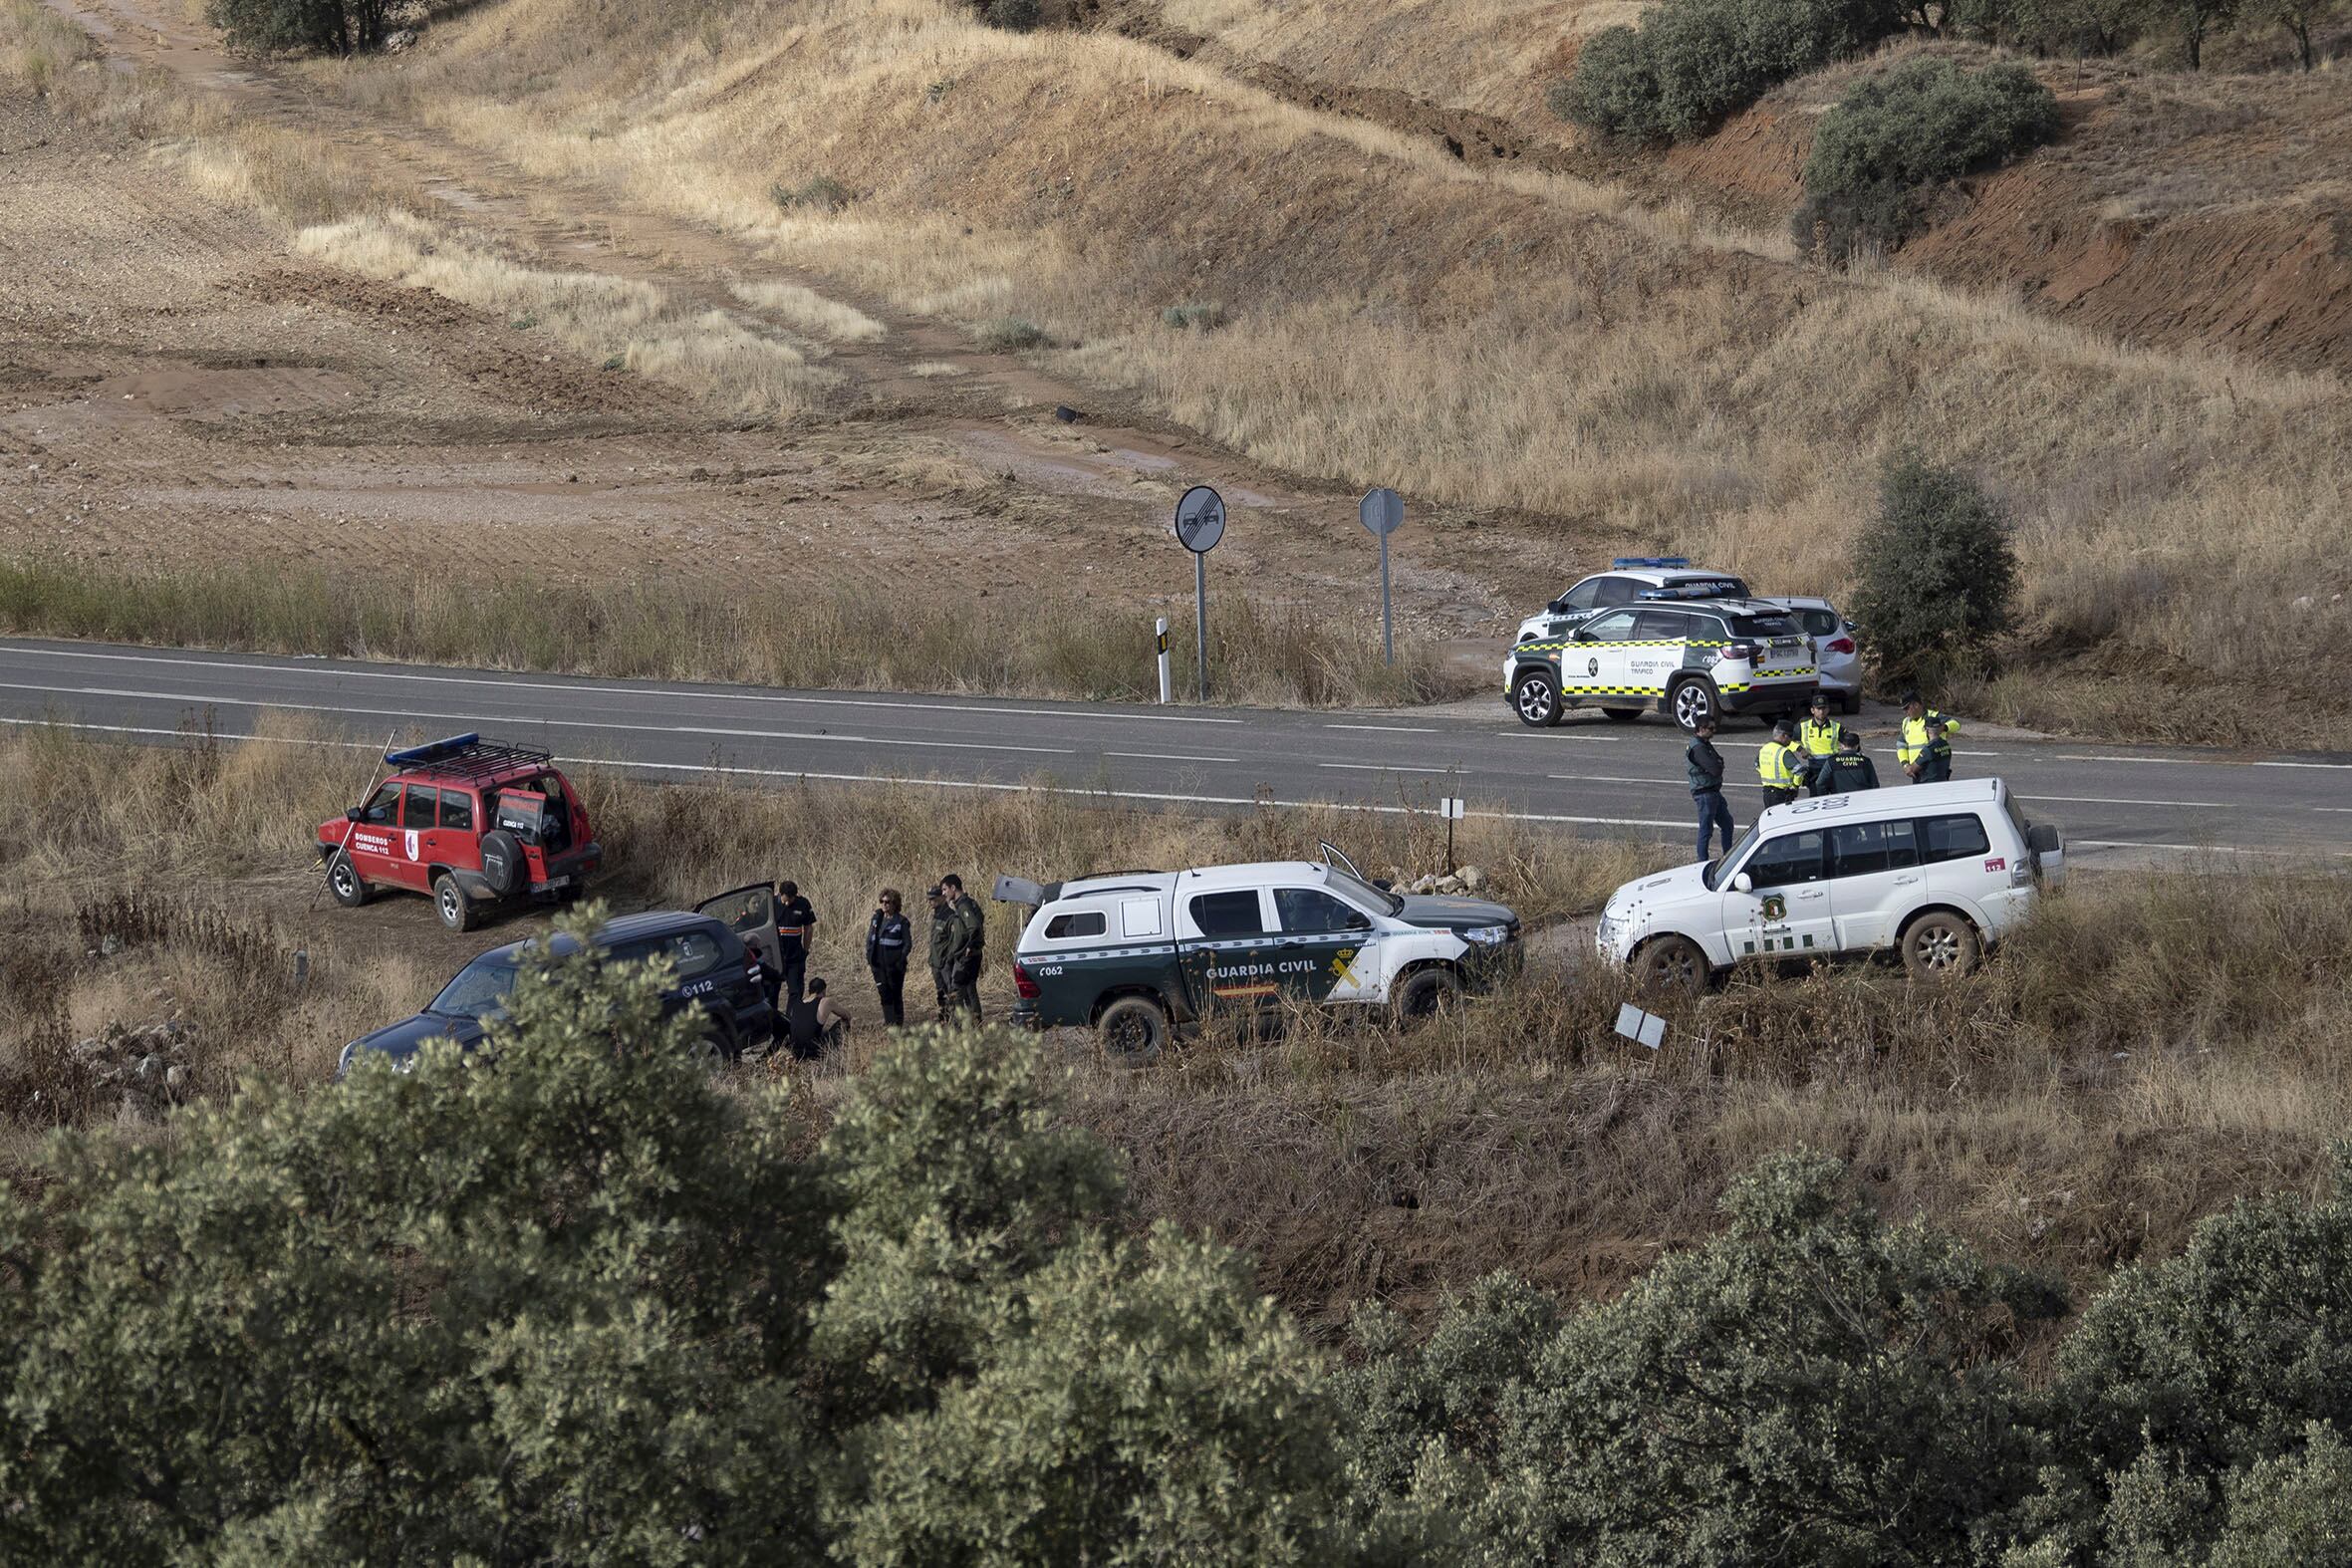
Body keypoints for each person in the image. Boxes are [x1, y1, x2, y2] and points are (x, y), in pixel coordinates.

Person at [1686, 715, 1735, 863]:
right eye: (1711, 728)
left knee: (1727, 823)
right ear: (1701, 729)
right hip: (1705, 793)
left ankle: (1728, 857)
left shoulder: (1704, 743)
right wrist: (1718, 764)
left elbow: (1719, 761)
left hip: (1712, 791)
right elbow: (1715, 768)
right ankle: (1702, 862)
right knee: (1706, 830)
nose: (1714, 731)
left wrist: (1718, 763)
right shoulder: (1698, 748)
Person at [864, 887, 913, 1027]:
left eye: (887, 902)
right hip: (878, 966)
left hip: (895, 967)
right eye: (882, 901)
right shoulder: (876, 918)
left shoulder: (902, 921)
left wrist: (900, 960)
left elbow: (908, 944)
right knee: (884, 994)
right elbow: (869, 939)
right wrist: (869, 958)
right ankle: (889, 1023)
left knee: (895, 994)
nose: (884, 904)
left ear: (895, 904)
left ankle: (898, 1024)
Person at [943, 873, 985, 1021]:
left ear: (953, 888)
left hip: (967, 957)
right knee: (970, 990)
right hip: (973, 954)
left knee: (957, 992)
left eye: (945, 889)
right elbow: (980, 919)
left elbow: (974, 926)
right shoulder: (970, 903)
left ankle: (959, 1028)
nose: (944, 893)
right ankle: (976, 1024)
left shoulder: (963, 905)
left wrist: (969, 946)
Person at [1898, 692, 1961, 784]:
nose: (1905, 712)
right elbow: (1901, 745)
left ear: (1916, 705)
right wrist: (1905, 765)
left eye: (1907, 708)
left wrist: (1943, 728)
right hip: (1916, 772)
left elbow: (1956, 724)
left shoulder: (1933, 717)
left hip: (1934, 771)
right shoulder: (1906, 723)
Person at [783, 976, 852, 1059]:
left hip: (796, 1051)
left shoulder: (796, 1004)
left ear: (809, 991)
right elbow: (847, 1015)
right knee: (844, 1022)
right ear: (823, 991)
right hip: (815, 1051)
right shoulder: (825, 1001)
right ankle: (838, 1055)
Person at [773, 879, 816, 1008]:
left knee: (796, 991)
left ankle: (791, 1020)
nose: (786, 904)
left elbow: (808, 928)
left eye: (789, 901)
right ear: (780, 894)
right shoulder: (771, 903)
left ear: (795, 896)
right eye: (784, 900)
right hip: (776, 956)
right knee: (772, 992)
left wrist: (805, 950)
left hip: (795, 956)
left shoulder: (803, 904)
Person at [1796, 693, 1844, 795]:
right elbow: (1785, 739)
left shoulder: (1836, 727)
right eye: (1818, 709)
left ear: (1828, 709)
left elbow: (1851, 743)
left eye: (1824, 708)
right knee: (1816, 800)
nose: (1821, 711)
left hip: (1833, 769)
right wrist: (1800, 749)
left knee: (1837, 800)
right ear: (1812, 710)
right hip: (1815, 770)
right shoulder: (1803, 727)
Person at [1815, 728, 1881, 793]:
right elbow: (1875, 784)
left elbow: (1820, 783)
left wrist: (1826, 797)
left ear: (1842, 746)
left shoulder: (1832, 761)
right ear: (1857, 746)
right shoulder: (1865, 761)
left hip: (1841, 800)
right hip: (1862, 800)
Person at [1757, 719, 1804, 809]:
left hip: (1767, 794)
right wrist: (1795, 786)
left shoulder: (1764, 749)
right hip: (1782, 794)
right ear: (1784, 736)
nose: (1791, 740)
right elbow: (1799, 771)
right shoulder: (1784, 752)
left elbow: (1757, 764)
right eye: (1790, 736)